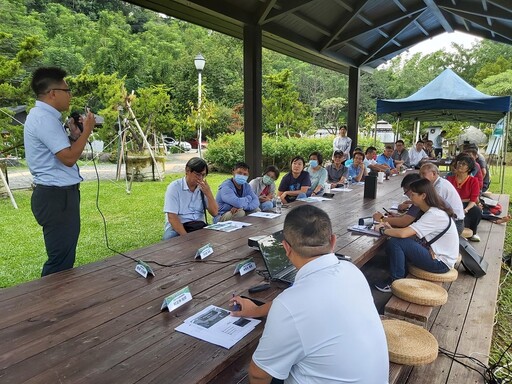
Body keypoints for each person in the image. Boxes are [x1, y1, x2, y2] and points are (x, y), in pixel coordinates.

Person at [231, 205, 389, 383]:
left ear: (286, 248)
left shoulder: (291, 304)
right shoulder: (351, 270)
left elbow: (259, 374)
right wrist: (255, 310)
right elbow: (298, 307)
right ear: (333, 241)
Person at [24, 67, 95, 276]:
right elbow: (69, 159)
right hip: (56, 196)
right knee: (59, 262)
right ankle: (50, 305)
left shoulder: (46, 117)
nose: (70, 95)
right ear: (52, 93)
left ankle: (57, 303)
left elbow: (63, 153)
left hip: (59, 195)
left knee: (64, 257)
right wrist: (87, 131)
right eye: (67, 90)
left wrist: (74, 137)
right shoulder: (43, 119)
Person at [375, 179, 459, 292]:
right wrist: (391, 230)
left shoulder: (434, 214)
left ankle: (395, 282)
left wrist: (382, 230)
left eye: (413, 194)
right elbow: (411, 234)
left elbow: (403, 233)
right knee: (398, 239)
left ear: (423, 195)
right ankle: (400, 275)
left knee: (395, 242)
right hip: (437, 254)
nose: (410, 197)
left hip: (441, 263)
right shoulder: (432, 211)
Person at [163, 157, 218, 239]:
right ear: (187, 171)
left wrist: (208, 193)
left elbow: (215, 212)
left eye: (203, 175)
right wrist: (187, 238)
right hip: (179, 225)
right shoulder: (174, 187)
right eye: (197, 174)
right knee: (169, 239)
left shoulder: (202, 188)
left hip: (198, 224)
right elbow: (172, 217)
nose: (200, 178)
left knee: (218, 235)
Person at [420, 163, 465, 234]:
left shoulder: (439, 187)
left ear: (434, 174)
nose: (421, 177)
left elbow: (432, 207)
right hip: (451, 221)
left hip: (455, 223)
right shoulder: (438, 183)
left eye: (423, 174)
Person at [446, 155, 482, 241]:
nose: (460, 165)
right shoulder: (449, 179)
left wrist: (466, 209)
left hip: (466, 204)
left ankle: (473, 232)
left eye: (464, 164)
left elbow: (473, 200)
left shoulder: (473, 181)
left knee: (476, 211)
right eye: (459, 162)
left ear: (469, 169)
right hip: (452, 204)